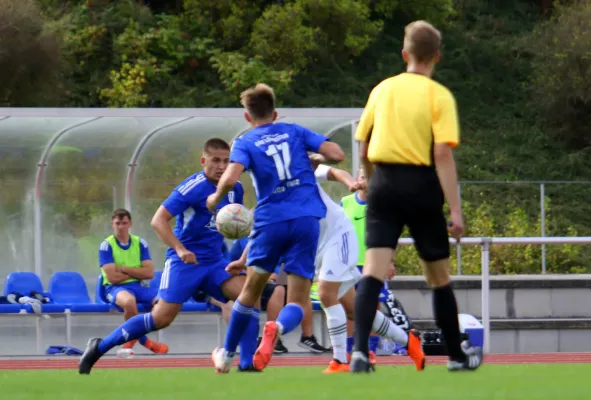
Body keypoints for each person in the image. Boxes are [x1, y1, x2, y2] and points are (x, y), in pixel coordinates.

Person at [350, 20, 483, 373]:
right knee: (438, 277)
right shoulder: (439, 95)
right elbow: (442, 154)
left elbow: (363, 145)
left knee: (373, 273)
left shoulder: (382, 89)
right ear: (436, 56)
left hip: (384, 182)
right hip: (421, 184)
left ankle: (360, 353)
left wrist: (373, 180)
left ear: (404, 53)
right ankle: (456, 356)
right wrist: (455, 211)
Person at [79, 138, 260, 374]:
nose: (221, 166)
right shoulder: (191, 188)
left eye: (226, 161)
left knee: (250, 295)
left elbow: (236, 221)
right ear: (203, 161)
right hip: (184, 264)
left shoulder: (235, 187)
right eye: (215, 160)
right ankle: (99, 347)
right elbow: (158, 220)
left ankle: (246, 363)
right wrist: (180, 249)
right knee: (161, 319)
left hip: (215, 262)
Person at [206, 83, 345, 373]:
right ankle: (277, 328)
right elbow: (337, 154)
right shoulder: (294, 131)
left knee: (249, 292)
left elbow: (230, 179)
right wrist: (316, 157)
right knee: (297, 299)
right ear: (276, 113)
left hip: (270, 221)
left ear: (247, 116)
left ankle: (227, 356)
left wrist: (215, 198)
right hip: (307, 220)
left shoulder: (245, 141)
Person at [307, 158, 424, 374]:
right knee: (355, 310)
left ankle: (344, 358)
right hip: (328, 250)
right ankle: (408, 340)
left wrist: (389, 260)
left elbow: (334, 166)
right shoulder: (271, 185)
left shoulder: (300, 167)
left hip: (353, 250)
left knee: (328, 295)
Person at [98, 209, 168, 356]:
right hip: (114, 288)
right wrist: (137, 273)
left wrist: (123, 269)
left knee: (163, 302)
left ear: (130, 223)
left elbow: (149, 273)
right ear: (112, 224)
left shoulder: (140, 242)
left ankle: (134, 340)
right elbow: (112, 278)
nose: (121, 227)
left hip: (139, 286)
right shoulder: (106, 245)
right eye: (118, 223)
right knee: (130, 302)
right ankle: (142, 342)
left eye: (124, 223)